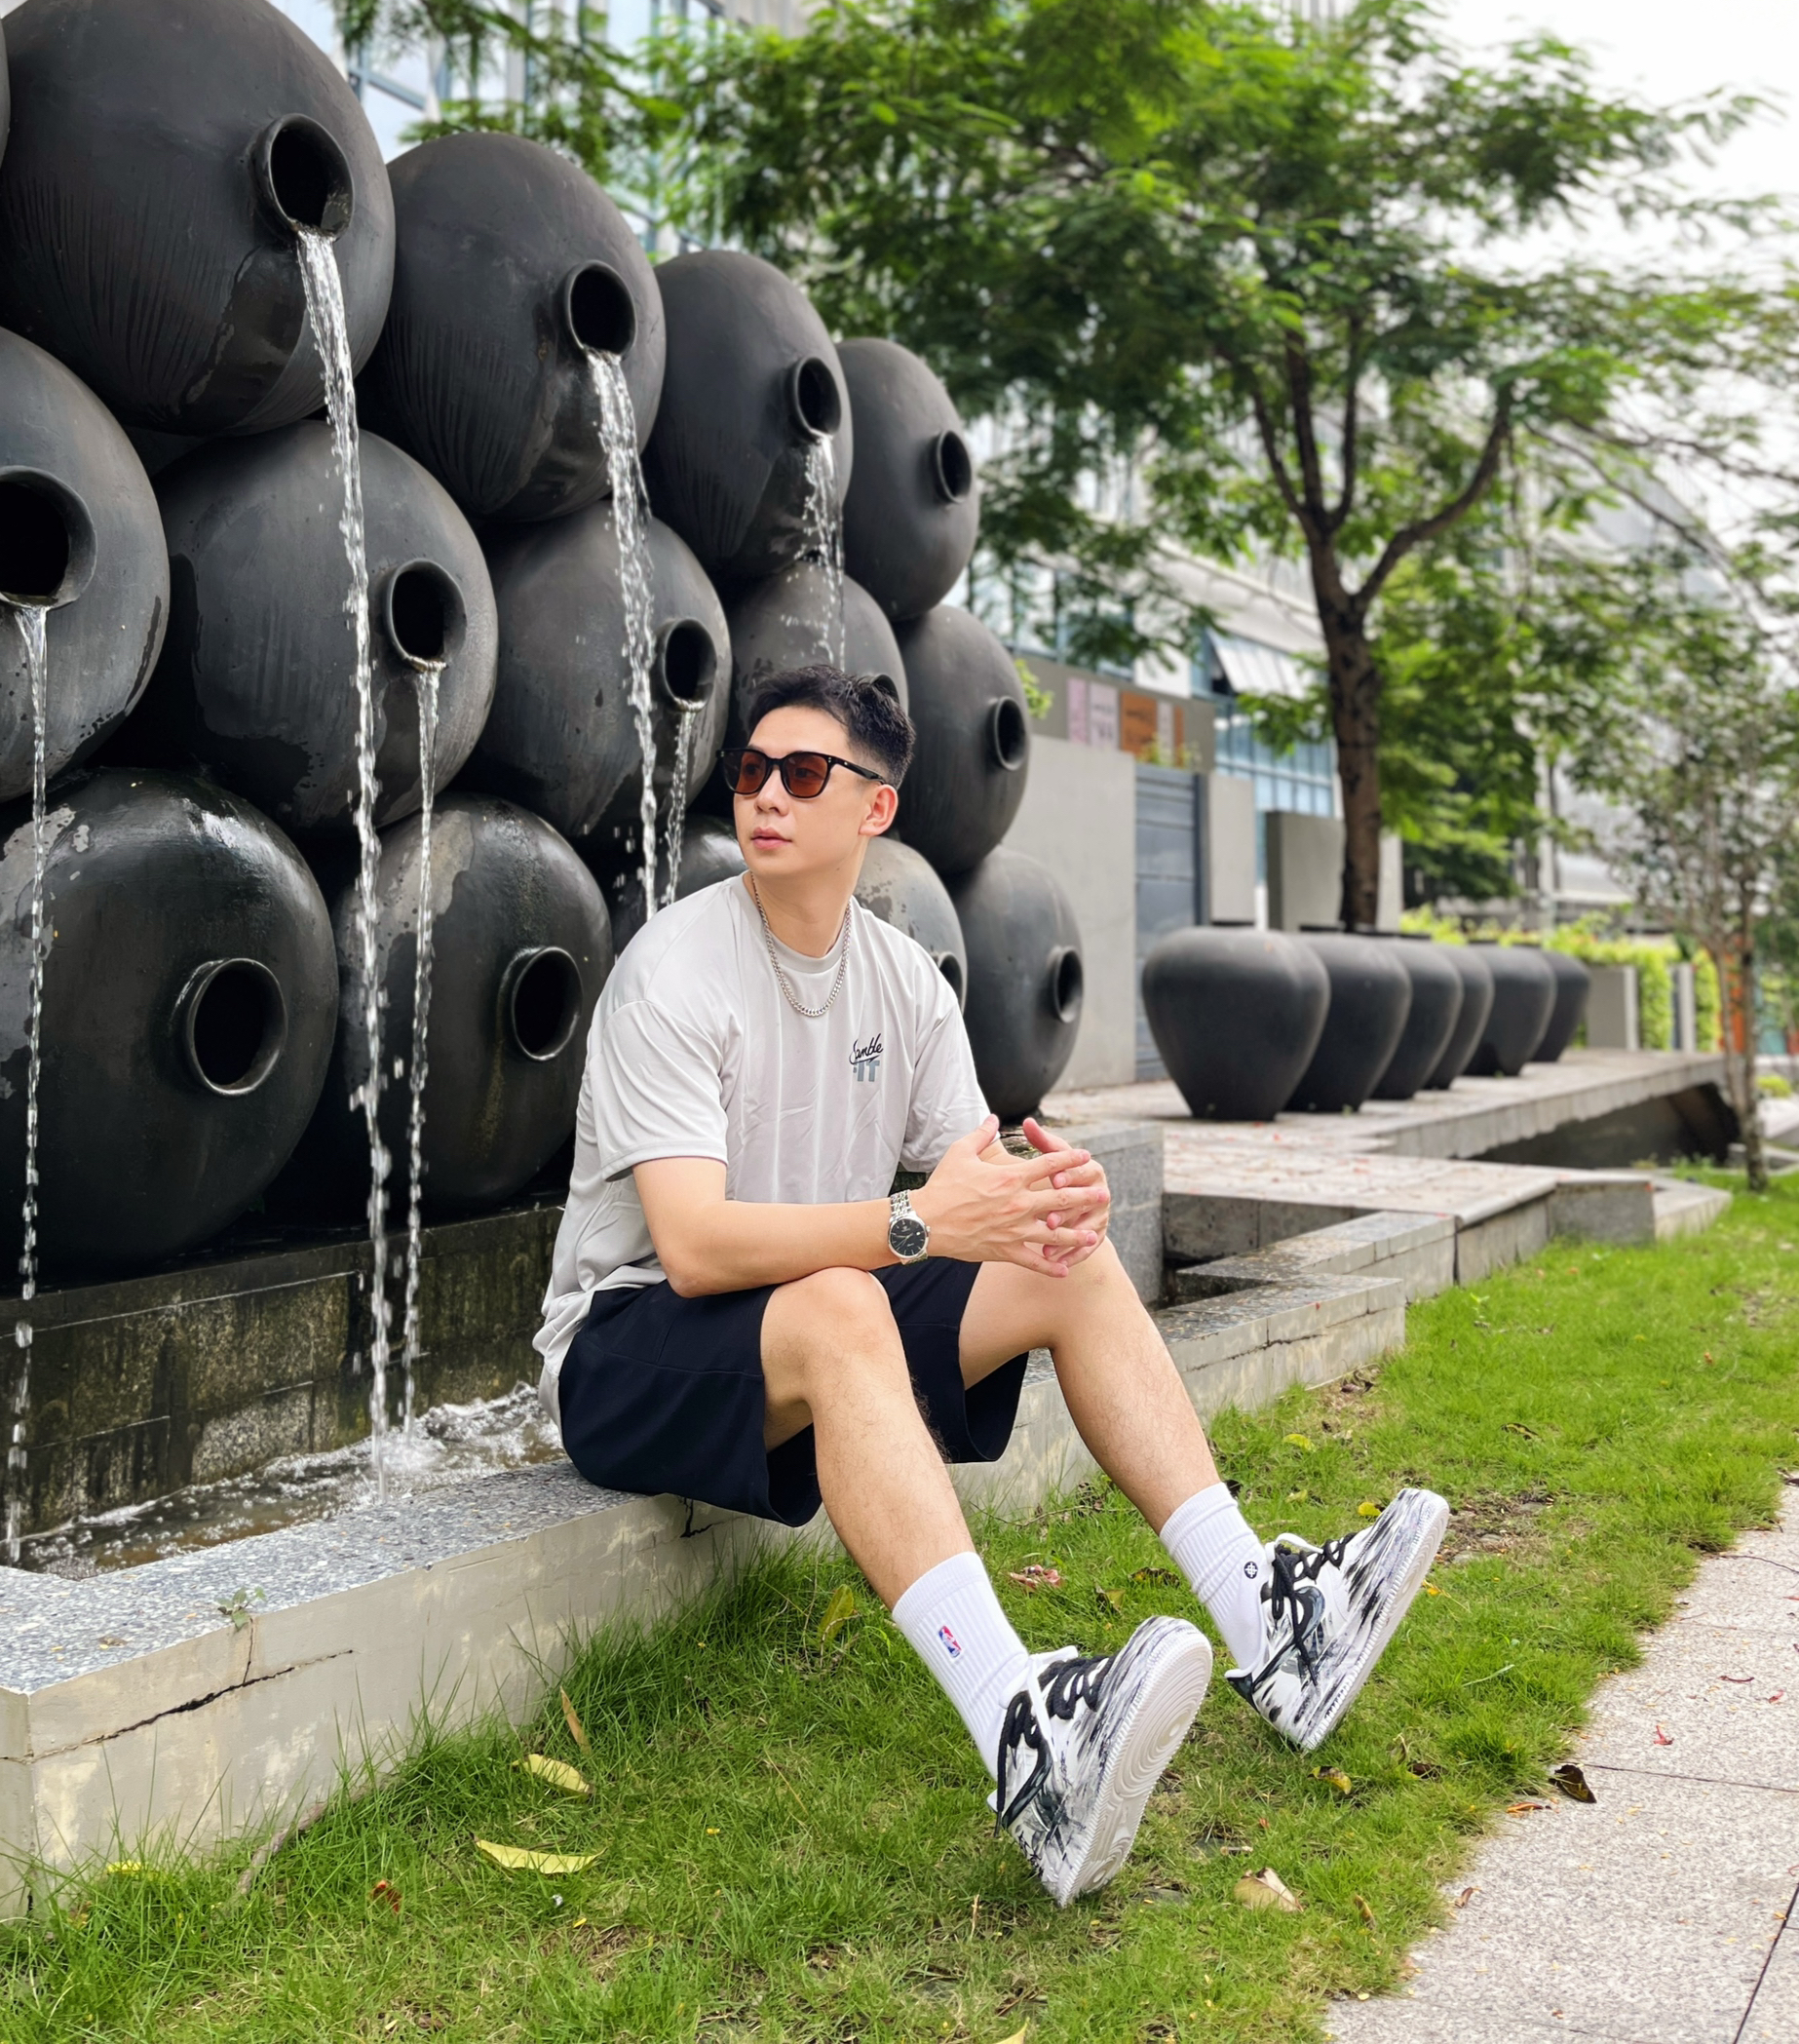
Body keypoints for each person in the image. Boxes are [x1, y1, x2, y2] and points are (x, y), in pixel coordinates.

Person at [536, 666, 1448, 1906]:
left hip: (808, 1313)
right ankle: (1026, 1732)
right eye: (749, 772)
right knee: (848, 1301)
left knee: (1061, 1265)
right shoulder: (674, 971)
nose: (764, 797)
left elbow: (978, 1180)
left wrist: (1045, 1198)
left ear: (876, 808)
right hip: (627, 1343)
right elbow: (692, 1247)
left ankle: (1270, 1623)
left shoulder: (902, 979)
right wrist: (919, 1221)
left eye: (801, 773)